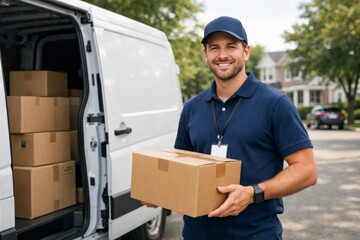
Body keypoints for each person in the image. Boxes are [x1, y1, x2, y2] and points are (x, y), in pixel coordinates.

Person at [173, 16, 318, 239]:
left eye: (231, 46)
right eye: (214, 48)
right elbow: (181, 168)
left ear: (246, 52)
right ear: (206, 55)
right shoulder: (192, 107)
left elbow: (307, 171)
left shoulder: (275, 104)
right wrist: (159, 192)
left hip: (255, 234)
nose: (222, 55)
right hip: (196, 233)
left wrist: (253, 193)